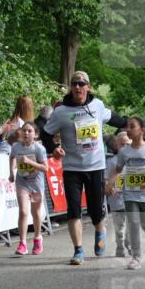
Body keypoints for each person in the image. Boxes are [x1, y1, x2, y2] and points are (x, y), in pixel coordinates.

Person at [41, 70, 128, 265]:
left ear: (88, 86)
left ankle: (100, 231)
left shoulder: (97, 106)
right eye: (74, 84)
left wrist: (132, 123)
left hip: (95, 166)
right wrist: (54, 149)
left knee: (96, 209)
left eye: (82, 83)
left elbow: (115, 118)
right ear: (71, 87)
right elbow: (46, 134)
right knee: (74, 209)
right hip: (72, 168)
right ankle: (78, 250)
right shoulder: (61, 111)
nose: (78, 87)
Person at [107, 117, 145, 270]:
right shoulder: (124, 152)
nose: (128, 130)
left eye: (132, 127)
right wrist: (110, 182)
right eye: (127, 127)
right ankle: (136, 257)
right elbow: (118, 170)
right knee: (133, 224)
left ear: (142, 130)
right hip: (130, 194)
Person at [8, 121, 48, 256]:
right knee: (24, 212)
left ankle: (37, 238)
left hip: (36, 183)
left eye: (29, 131)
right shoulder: (16, 147)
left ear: (35, 135)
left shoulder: (39, 149)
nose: (26, 133)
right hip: (22, 182)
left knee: (36, 213)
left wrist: (30, 162)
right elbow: (12, 157)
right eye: (24, 130)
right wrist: (11, 172)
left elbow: (45, 168)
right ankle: (22, 243)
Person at [104, 132, 129, 257]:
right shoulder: (112, 161)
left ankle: (129, 244)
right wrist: (107, 187)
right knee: (119, 228)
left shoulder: (137, 160)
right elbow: (105, 179)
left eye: (127, 144)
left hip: (133, 199)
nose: (124, 147)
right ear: (117, 145)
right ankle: (120, 248)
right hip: (116, 199)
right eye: (121, 144)